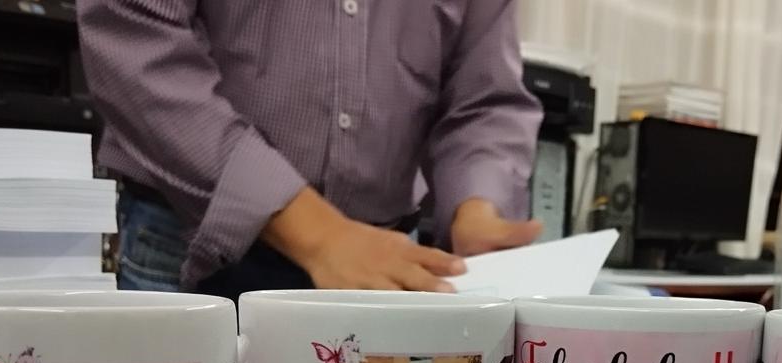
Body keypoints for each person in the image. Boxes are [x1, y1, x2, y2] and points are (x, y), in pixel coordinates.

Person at [77, 0, 543, 300]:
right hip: (190, 253)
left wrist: (477, 209)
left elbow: (485, 99)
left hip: (381, 268)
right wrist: (320, 235)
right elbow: (135, 39)